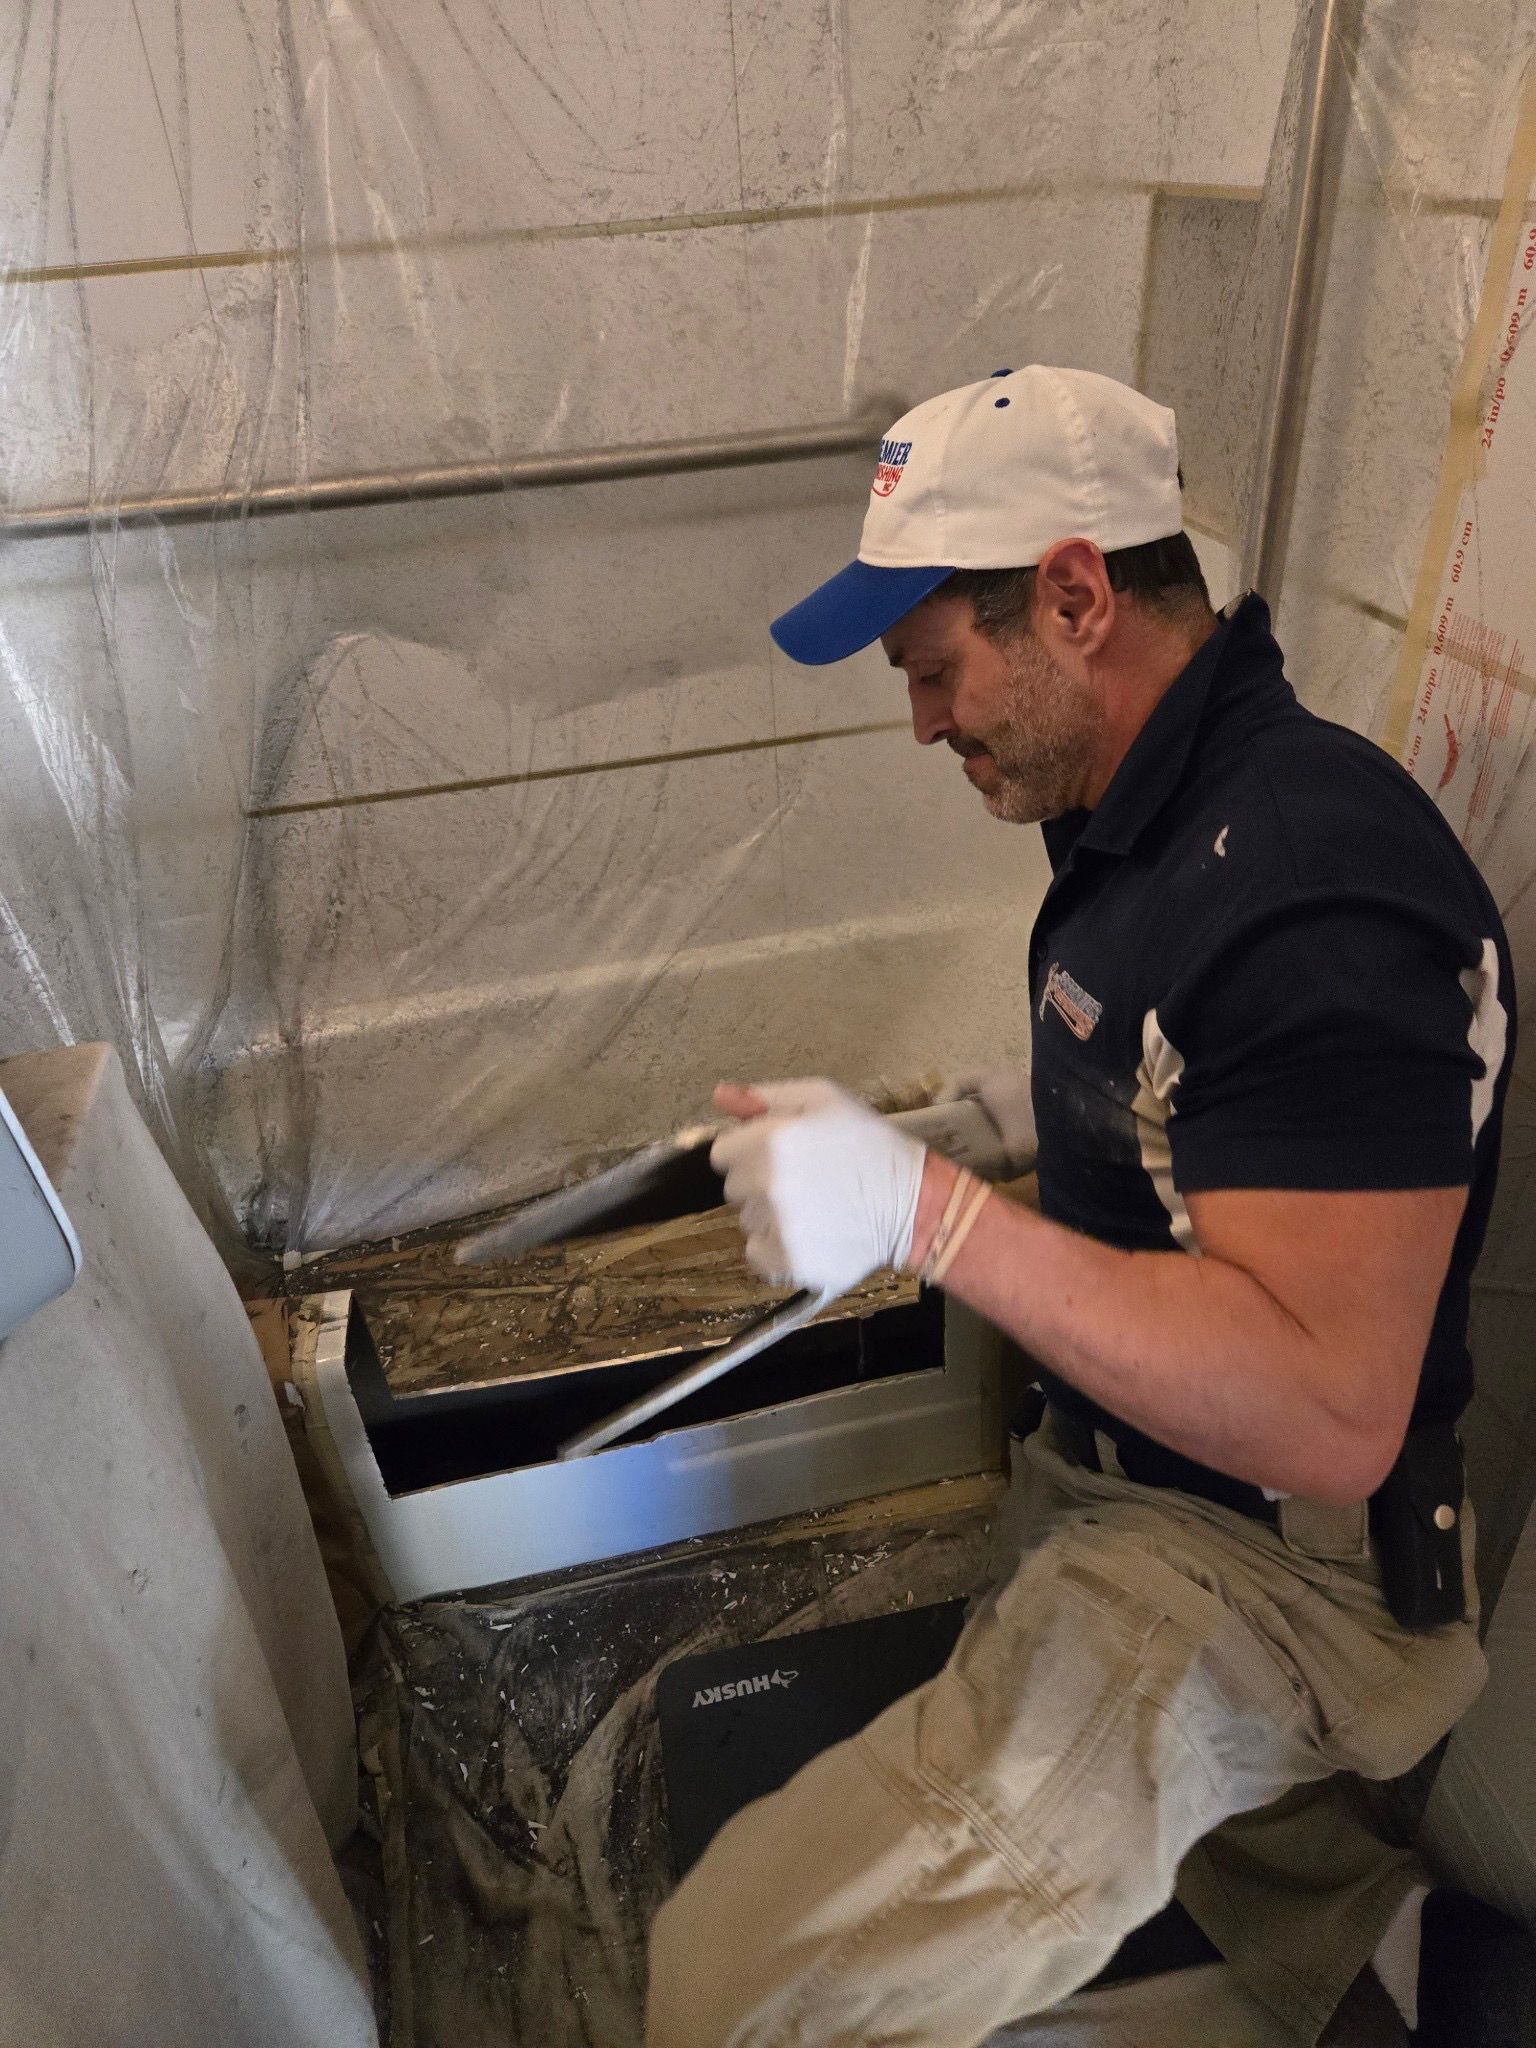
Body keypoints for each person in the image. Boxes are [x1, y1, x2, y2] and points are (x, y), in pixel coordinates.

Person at [644, 367, 1516, 2047]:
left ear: (1073, 592)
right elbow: (1209, 1103)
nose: (921, 724)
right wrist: (1007, 1126)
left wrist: (927, 1217)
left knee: (744, 1980)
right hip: (1123, 1483)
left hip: (1256, 1569)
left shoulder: (1315, 891)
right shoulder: (1155, 820)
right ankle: (1392, 1954)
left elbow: (1333, 1411)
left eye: (936, 672)